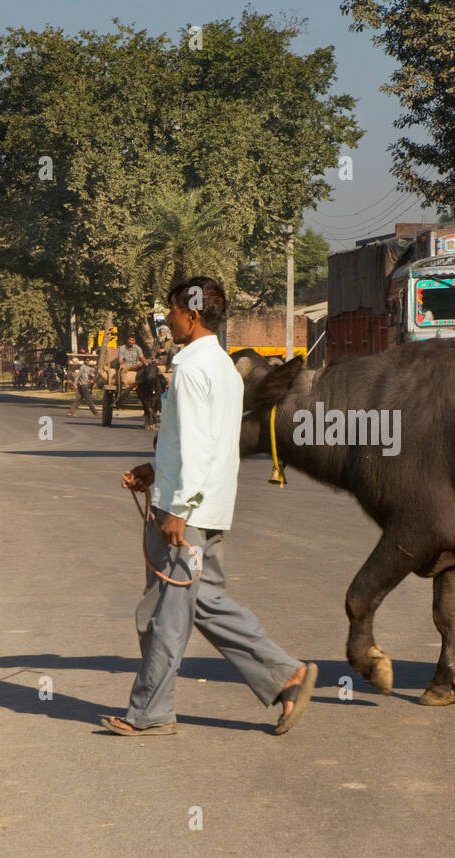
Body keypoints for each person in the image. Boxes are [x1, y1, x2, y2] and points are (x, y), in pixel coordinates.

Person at [103, 276, 316, 738]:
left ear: (192, 314)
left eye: (172, 311)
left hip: (188, 514)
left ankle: (151, 712)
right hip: (209, 506)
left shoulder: (195, 368)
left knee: (165, 615)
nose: (166, 319)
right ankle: (287, 676)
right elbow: (206, 441)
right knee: (207, 603)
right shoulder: (221, 366)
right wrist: (155, 467)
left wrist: (179, 507)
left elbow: (200, 446)